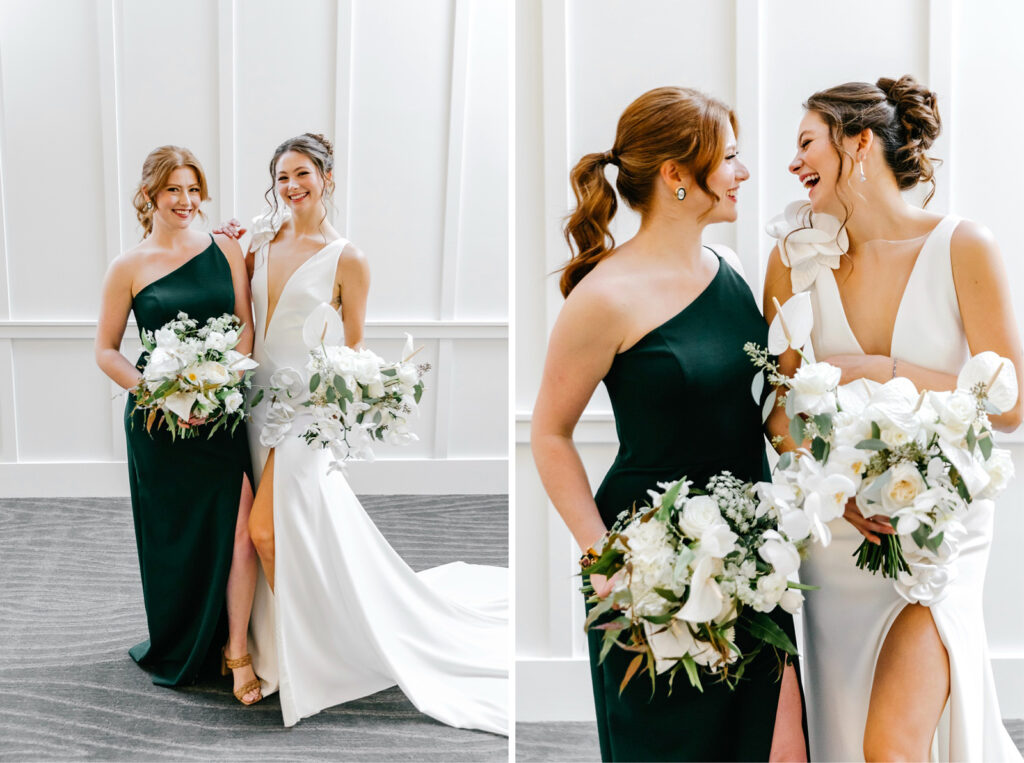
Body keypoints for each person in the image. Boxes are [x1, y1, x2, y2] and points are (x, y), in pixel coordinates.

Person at [531, 87, 806, 762]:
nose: (744, 172)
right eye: (731, 157)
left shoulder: (735, 268)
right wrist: (604, 559)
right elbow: (549, 433)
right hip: (651, 561)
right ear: (677, 175)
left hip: (753, 551)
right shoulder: (604, 295)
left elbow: (769, 411)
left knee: (782, 745)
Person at [764, 75, 1024, 762]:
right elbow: (778, 411)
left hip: (938, 536)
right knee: (849, 737)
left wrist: (880, 370)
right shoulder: (792, 261)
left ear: (859, 143)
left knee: (892, 746)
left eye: (806, 143)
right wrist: (837, 490)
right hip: (838, 535)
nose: (792, 163)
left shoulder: (965, 246)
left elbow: (1010, 399)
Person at [218, 133, 508, 733]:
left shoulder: (348, 257)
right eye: (281, 177)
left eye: (302, 174)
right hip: (256, 402)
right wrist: (225, 246)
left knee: (266, 530)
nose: (291, 186)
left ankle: (312, 643)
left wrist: (338, 410)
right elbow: (243, 310)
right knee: (295, 528)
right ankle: (277, 635)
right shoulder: (263, 243)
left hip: (308, 412)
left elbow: (353, 348)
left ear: (325, 177)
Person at [94, 146, 262, 705]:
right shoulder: (128, 266)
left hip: (220, 415)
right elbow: (106, 351)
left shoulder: (227, 248)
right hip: (159, 425)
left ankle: (236, 650)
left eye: (194, 189)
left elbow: (243, 324)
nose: (186, 201)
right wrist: (161, 394)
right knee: (176, 539)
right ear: (149, 195)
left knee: (241, 529)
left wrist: (221, 385)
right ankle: (183, 637)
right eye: (173, 190)